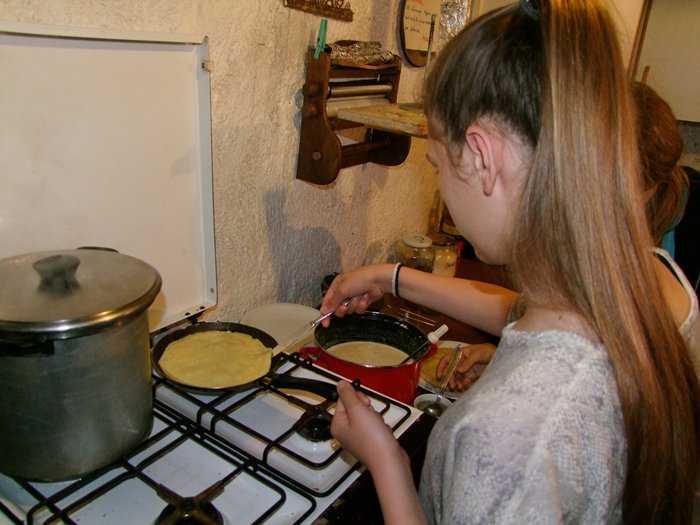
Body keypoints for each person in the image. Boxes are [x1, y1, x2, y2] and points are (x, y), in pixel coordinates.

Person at [321, 1, 700, 523]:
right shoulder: (640, 285)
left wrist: (386, 460)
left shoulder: (504, 438)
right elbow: (515, 311)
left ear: (483, 158)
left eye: (437, 164)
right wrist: (387, 276)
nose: (440, 184)